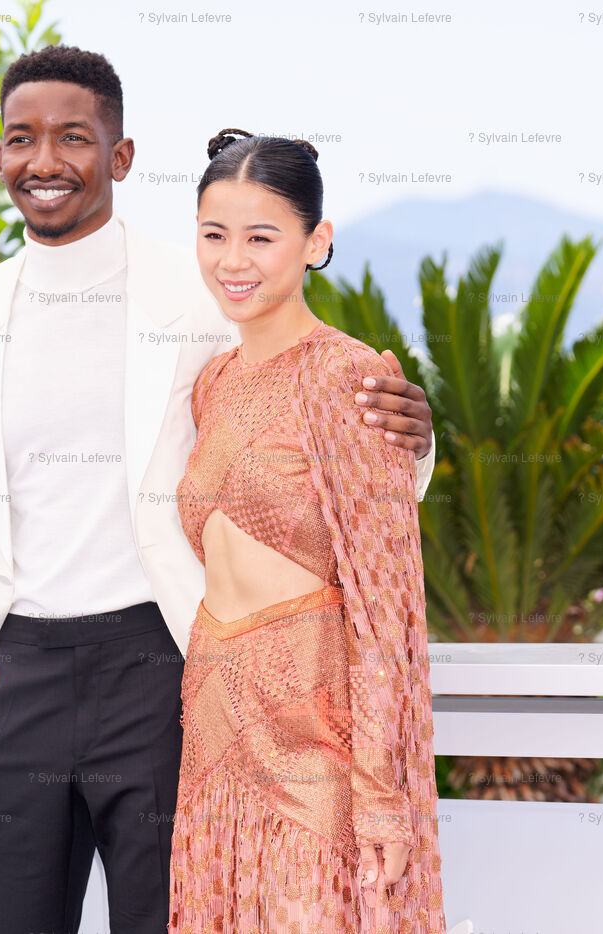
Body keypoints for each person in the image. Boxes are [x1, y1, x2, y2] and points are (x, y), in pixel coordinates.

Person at [0, 46, 437, 934]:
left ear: (120, 156)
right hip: (13, 672)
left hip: (160, 668)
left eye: (74, 137)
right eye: (20, 138)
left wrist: (415, 440)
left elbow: (325, 440)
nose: (44, 160)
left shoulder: (201, 297)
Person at [167, 129, 446, 933]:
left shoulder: (348, 376)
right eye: (215, 235)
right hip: (214, 717)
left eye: (262, 237)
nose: (233, 260)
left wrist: (382, 794)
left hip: (313, 733)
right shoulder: (213, 383)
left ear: (316, 242)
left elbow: (383, 602)